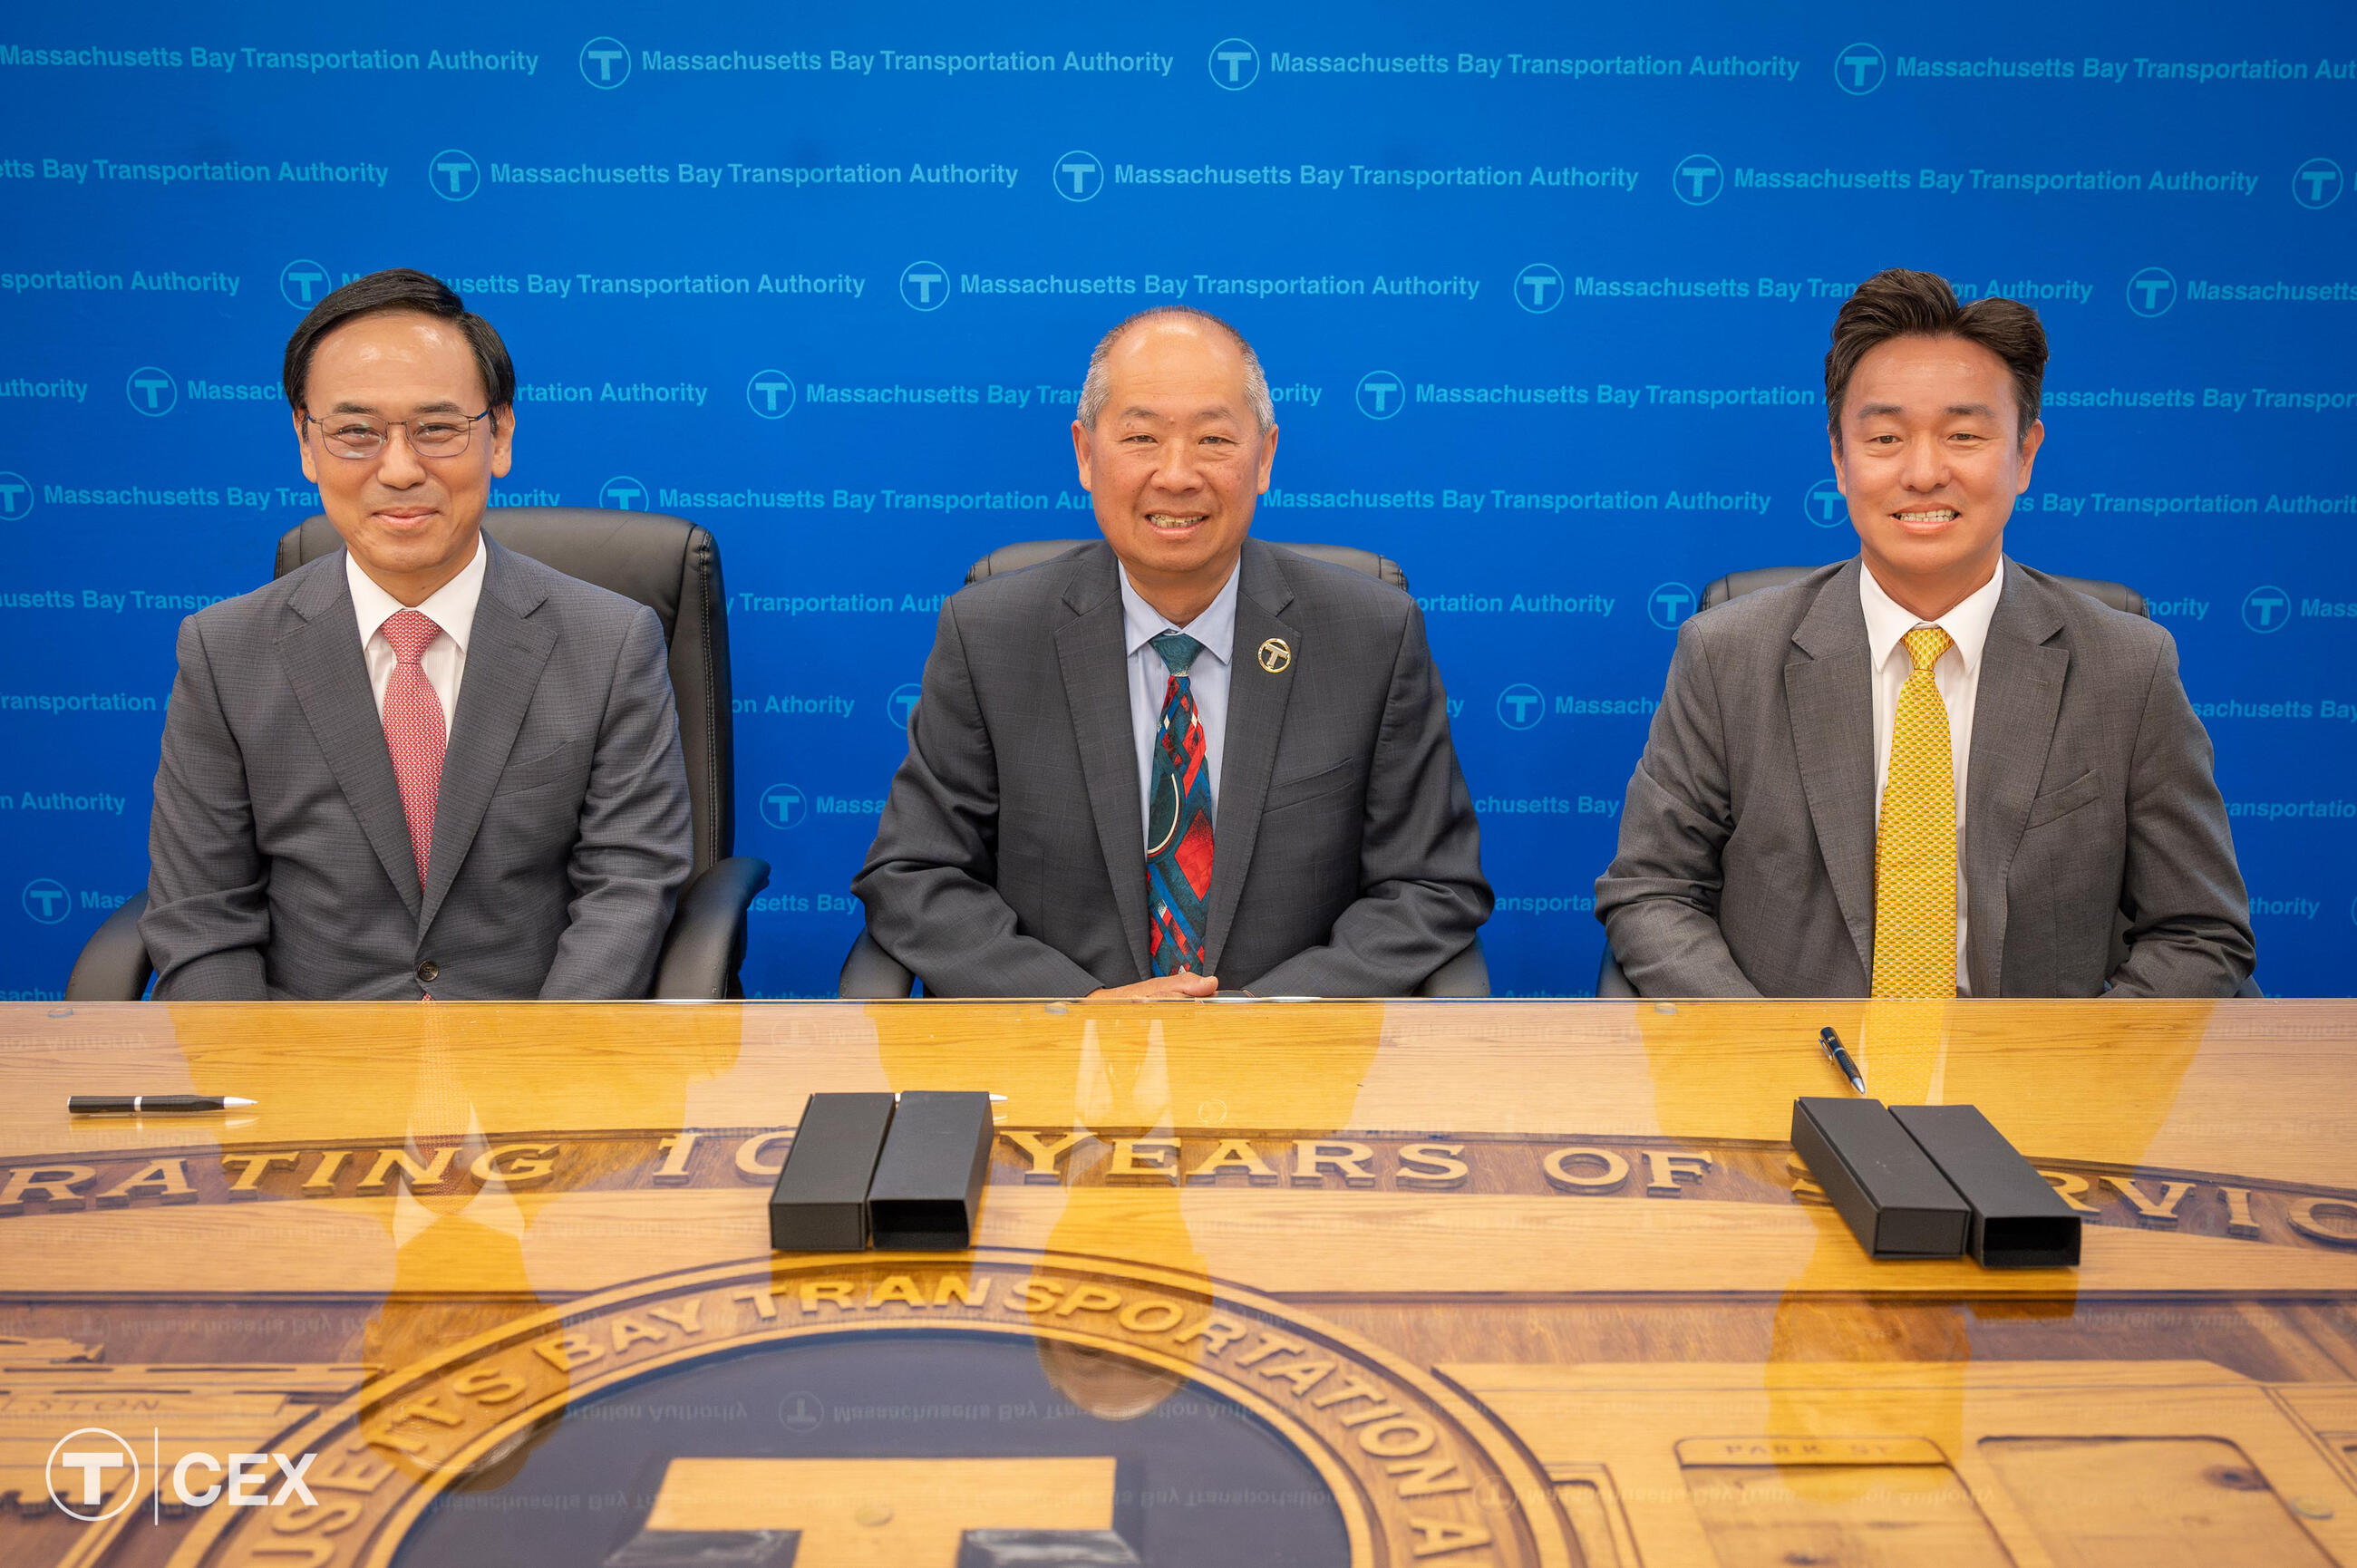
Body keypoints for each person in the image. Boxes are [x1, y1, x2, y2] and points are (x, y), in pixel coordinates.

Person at [1596, 267, 2252, 998]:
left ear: (2025, 454)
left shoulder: (2128, 669)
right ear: (1840, 459)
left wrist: (2067, 1078)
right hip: (1791, 1086)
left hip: (2036, 1094)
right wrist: (1768, 1055)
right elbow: (1652, 891)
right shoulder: (1727, 655)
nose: (1924, 471)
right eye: (1885, 437)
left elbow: (2198, 931)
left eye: (1964, 435)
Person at [855, 306, 1490, 998]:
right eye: (1141, 437)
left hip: (1295, 1066)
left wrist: (1261, 1017)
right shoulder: (989, 635)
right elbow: (915, 874)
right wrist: (1083, 1012)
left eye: (1214, 438)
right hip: (1065, 1063)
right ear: (1086, 455)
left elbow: (1431, 884)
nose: (1177, 474)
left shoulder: (1372, 635)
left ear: (1266, 457)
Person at [140, 268, 693, 999]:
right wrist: (267, 1088)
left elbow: (627, 890)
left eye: (436, 429)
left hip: (531, 1059)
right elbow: (203, 918)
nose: (399, 469)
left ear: (498, 436)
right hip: (311, 1069)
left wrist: (542, 1082)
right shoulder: (224, 651)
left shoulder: (611, 642)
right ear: (307, 445)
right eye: (355, 433)